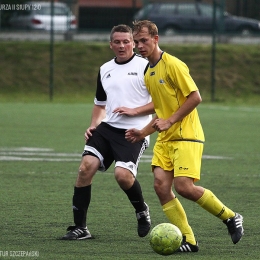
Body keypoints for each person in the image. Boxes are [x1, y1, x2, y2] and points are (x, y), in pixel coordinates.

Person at [125, 20, 244, 252]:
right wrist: (142, 132)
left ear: (156, 39)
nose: (139, 45)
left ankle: (231, 217)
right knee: (161, 186)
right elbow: (161, 109)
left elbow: (195, 97)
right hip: (166, 139)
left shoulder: (173, 65)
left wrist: (170, 121)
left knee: (184, 187)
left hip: (186, 136)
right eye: (136, 41)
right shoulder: (148, 71)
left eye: (144, 40)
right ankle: (189, 240)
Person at [62, 24, 154, 240]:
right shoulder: (105, 69)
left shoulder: (146, 67)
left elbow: (162, 104)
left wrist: (135, 111)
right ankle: (80, 228)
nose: (122, 46)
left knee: (123, 177)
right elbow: (100, 104)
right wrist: (94, 124)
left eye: (126, 41)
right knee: (86, 168)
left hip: (135, 131)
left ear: (133, 43)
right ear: (110, 44)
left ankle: (141, 210)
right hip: (107, 128)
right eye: (117, 42)